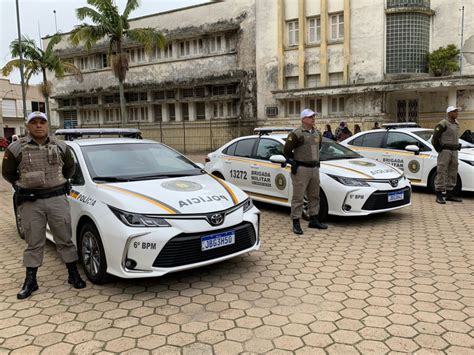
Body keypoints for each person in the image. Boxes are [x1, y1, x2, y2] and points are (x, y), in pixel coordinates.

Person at [2, 111, 86, 299]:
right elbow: (7, 173)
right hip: (31, 202)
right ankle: (31, 281)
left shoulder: (61, 146)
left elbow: (70, 168)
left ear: (47, 125)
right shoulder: (16, 148)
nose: (38, 125)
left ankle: (73, 274)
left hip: (57, 198)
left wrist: (59, 181)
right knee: (34, 242)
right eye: (34, 122)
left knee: (64, 238)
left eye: (42, 122)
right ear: (28, 126)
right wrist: (22, 186)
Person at [283, 109, 328, 235]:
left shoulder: (317, 133)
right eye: (310, 117)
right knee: (298, 197)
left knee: (314, 195)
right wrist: (293, 162)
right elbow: (286, 151)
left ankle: (313, 219)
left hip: (314, 168)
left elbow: (318, 148)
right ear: (303, 119)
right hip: (301, 169)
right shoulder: (297, 133)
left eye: (314, 116)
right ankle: (296, 222)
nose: (313, 118)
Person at [431, 106, 463, 204]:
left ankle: (450, 194)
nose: (457, 113)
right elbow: (435, 139)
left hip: (454, 150)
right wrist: (439, 149)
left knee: (453, 171)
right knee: (442, 171)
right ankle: (439, 194)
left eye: (457, 111)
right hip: (445, 150)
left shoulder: (457, 124)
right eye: (454, 111)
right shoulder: (443, 124)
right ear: (449, 113)